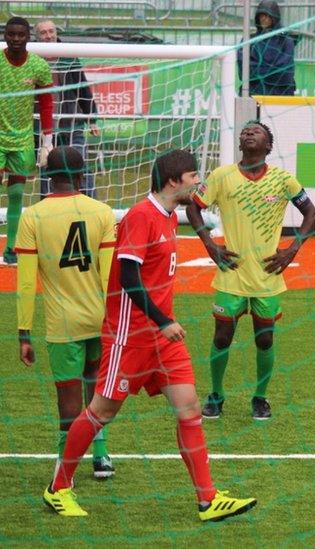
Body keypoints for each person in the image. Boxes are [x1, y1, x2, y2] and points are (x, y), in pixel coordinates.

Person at [43, 150, 257, 521]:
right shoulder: (141, 217)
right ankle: (58, 487)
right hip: (130, 336)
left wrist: (163, 324)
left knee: (190, 409)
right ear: (174, 181)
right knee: (101, 411)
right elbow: (128, 279)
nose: (198, 182)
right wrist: (161, 320)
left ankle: (208, 500)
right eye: (193, 175)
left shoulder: (169, 217)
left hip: (163, 339)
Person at [186, 122, 315, 421]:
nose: (248, 133)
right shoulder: (221, 176)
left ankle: (260, 397)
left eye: (256, 131)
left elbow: (311, 213)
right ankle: (216, 395)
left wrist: (291, 249)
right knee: (222, 337)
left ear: (268, 146)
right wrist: (210, 244)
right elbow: (194, 207)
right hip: (231, 272)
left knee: (265, 339)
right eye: (245, 131)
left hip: (267, 275)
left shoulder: (284, 180)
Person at [15, 147, 115, 479]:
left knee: (68, 401)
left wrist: (24, 332)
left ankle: (64, 466)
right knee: (96, 390)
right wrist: (113, 322)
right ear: (84, 175)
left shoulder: (32, 216)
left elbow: (27, 282)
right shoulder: (102, 212)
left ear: (48, 177)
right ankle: (101, 456)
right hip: (100, 319)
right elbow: (109, 274)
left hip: (63, 325)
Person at [1, 17, 54, 266]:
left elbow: (45, 103)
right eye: (11, 34)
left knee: (17, 194)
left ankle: (11, 248)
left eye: (20, 35)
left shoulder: (38, 66)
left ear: (28, 37)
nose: (15, 39)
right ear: (5, 35)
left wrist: (47, 140)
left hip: (22, 138)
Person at [35, 20, 100, 198]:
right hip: (44, 128)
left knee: (81, 167)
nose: (48, 36)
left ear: (56, 33)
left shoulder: (68, 56)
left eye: (51, 31)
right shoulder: (32, 58)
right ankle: (47, 209)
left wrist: (91, 118)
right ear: (36, 37)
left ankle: (92, 207)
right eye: (43, 33)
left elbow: (82, 87)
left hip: (71, 123)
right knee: (47, 171)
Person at [238, 0, 295, 96]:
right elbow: (243, 72)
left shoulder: (285, 41)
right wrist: (272, 70)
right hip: (254, 93)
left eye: (269, 16)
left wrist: (259, 71)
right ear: (257, 17)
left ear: (275, 18)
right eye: (262, 15)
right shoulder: (248, 41)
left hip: (280, 94)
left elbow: (285, 74)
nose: (265, 19)